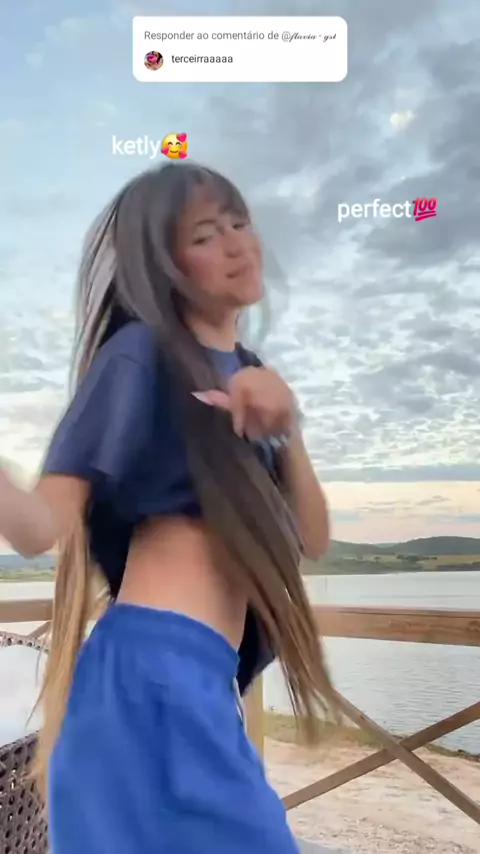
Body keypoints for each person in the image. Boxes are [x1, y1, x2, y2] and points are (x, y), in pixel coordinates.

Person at [0, 162, 336, 853]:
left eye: (239, 222)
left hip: (204, 680)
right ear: (167, 267)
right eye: (205, 235)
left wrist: (288, 428)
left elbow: (313, 537)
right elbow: (39, 529)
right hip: (148, 676)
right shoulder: (139, 356)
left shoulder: (253, 375)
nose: (236, 243)